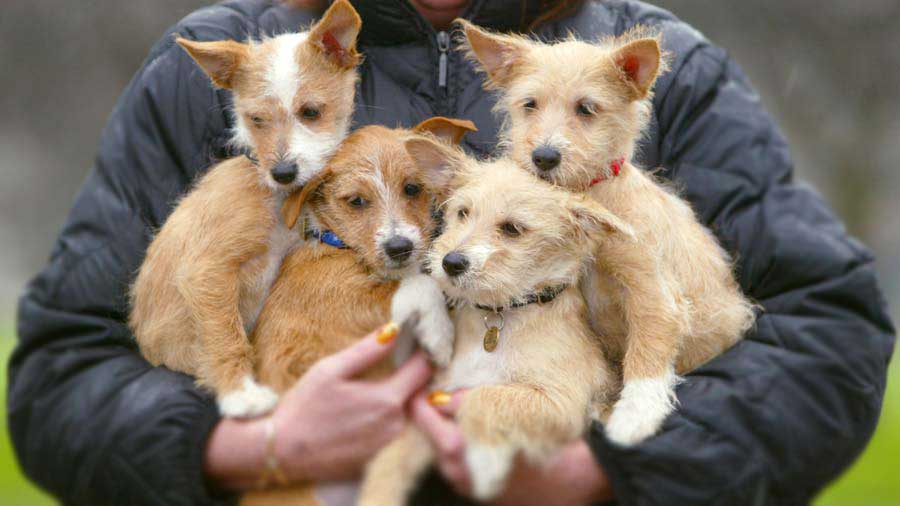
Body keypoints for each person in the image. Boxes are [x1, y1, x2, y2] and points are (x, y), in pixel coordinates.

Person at [8, 0, 895, 505]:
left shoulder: (659, 67)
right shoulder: (225, 65)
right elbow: (60, 374)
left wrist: (606, 473)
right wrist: (252, 446)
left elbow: (834, 335)